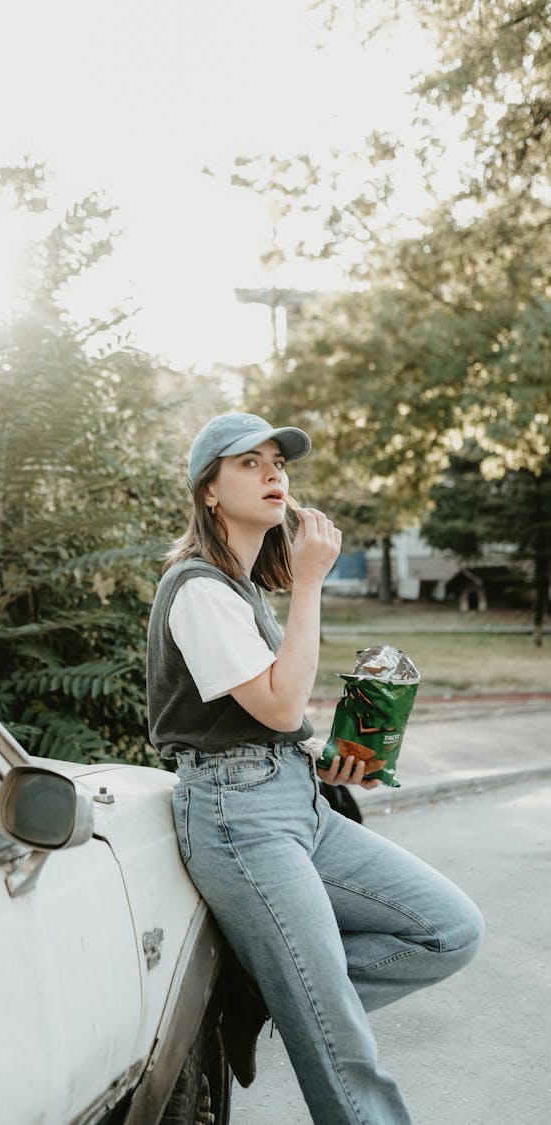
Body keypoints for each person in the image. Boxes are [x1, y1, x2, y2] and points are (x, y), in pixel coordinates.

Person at [146, 412, 484, 1125]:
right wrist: (309, 584)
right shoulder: (198, 588)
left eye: (278, 461)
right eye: (250, 463)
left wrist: (326, 760)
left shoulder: (241, 589)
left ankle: (262, 982)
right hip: (239, 821)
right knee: (342, 1038)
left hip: (296, 804)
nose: (274, 473)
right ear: (208, 491)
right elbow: (275, 704)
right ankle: (296, 986)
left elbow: (276, 721)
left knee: (450, 928)